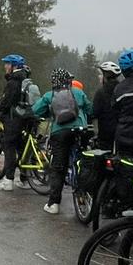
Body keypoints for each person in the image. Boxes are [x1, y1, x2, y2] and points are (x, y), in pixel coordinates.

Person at [31, 68, 93, 215]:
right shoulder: (78, 92)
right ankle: (86, 189)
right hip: (80, 130)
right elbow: (90, 109)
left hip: (60, 133)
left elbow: (35, 111)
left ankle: (53, 204)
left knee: (58, 167)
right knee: (83, 160)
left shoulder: (49, 95)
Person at [0, 54, 36, 192]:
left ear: (14, 66)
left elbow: (6, 103)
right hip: (24, 118)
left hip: (13, 120)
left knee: (9, 148)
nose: (5, 66)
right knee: (21, 148)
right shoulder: (25, 79)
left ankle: (8, 181)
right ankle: (23, 179)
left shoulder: (14, 82)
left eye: (7, 64)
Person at [92, 61, 121, 151]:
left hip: (105, 134)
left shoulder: (100, 92)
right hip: (122, 132)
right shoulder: (122, 89)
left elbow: (94, 112)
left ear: (106, 77)